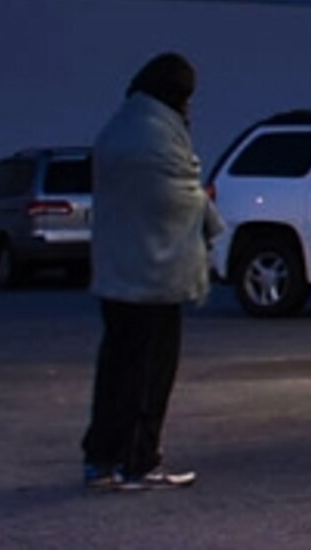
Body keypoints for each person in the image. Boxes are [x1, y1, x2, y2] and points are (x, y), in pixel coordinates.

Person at [82, 51, 221, 491]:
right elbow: (178, 197)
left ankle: (100, 458)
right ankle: (137, 459)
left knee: (116, 367)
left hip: (116, 272)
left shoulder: (118, 129)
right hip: (154, 275)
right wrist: (205, 206)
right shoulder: (159, 137)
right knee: (149, 372)